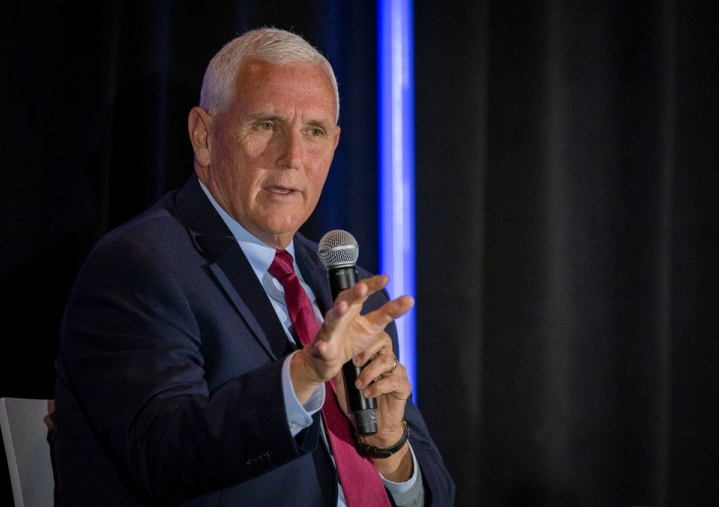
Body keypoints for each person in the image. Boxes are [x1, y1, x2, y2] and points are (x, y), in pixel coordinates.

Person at [51, 27, 455, 506]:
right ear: (203, 137)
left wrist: (388, 447)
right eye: (266, 125)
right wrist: (303, 374)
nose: (293, 158)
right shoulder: (140, 266)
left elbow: (438, 496)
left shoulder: (345, 287)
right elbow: (164, 455)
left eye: (315, 132)